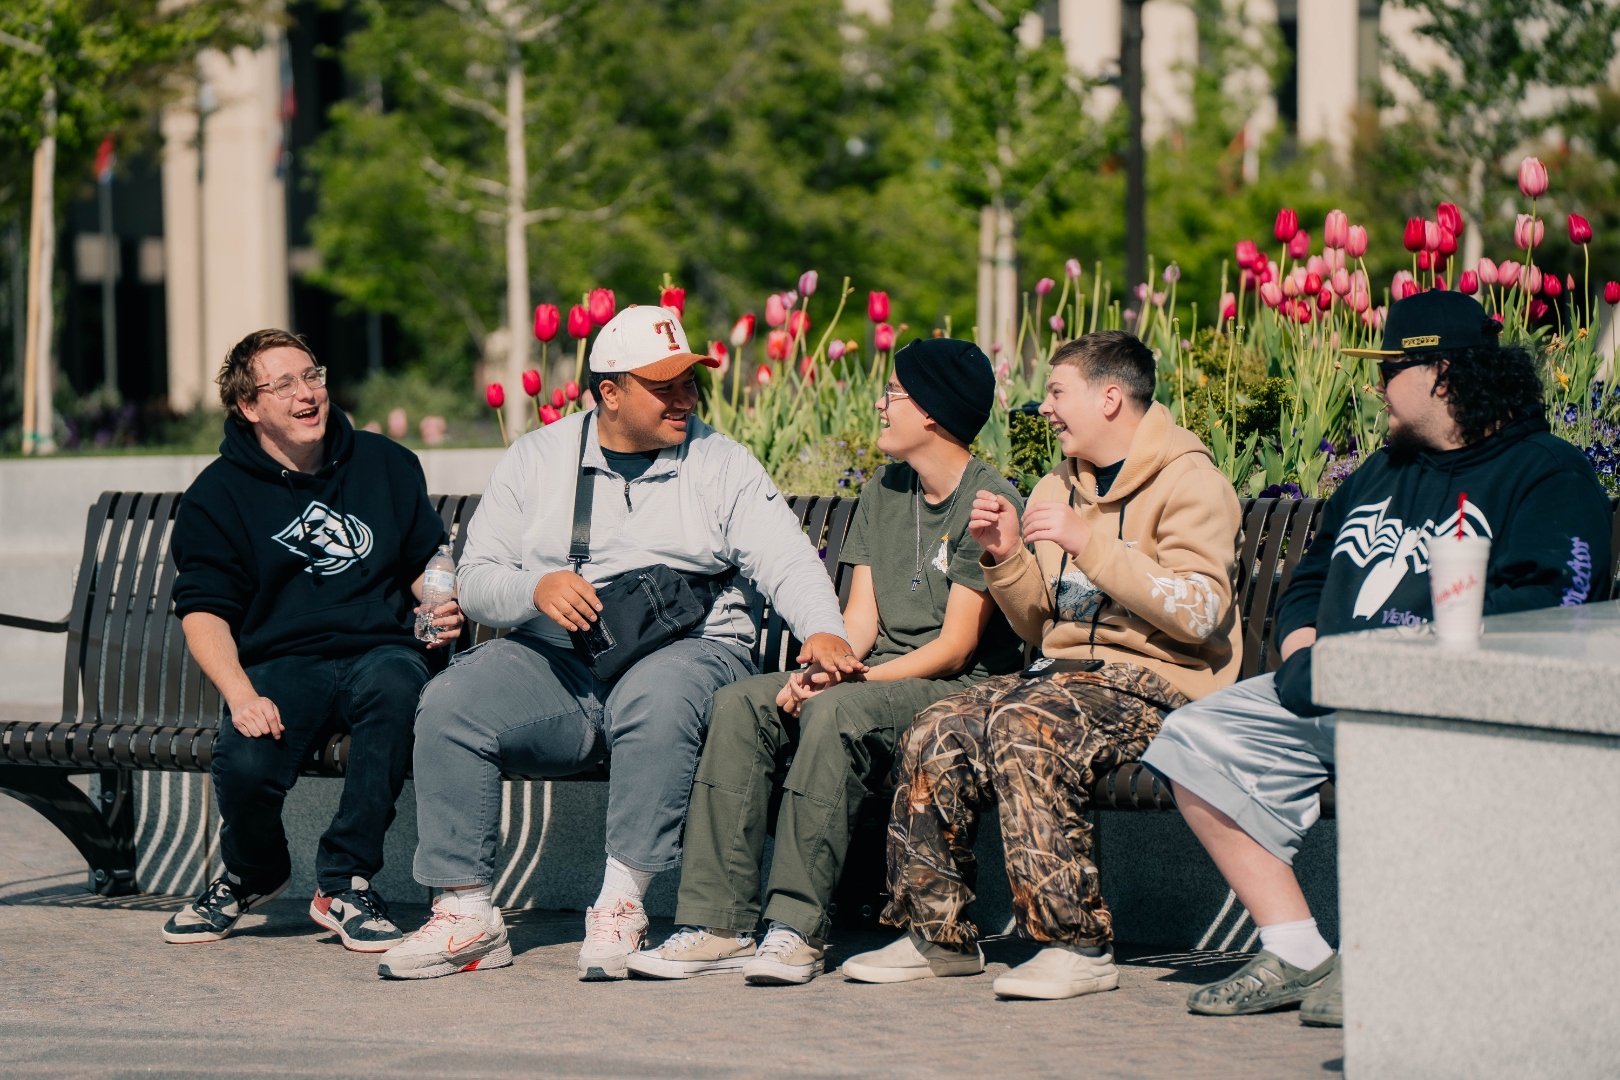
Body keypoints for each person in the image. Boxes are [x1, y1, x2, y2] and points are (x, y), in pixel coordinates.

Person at [1142, 290, 1611, 1027]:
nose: (1376, 383)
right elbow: (1310, 578)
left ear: (1442, 374)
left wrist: (1403, 665)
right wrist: (1303, 647)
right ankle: (1295, 948)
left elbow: (1560, 603)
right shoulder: (1381, 472)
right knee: (1195, 737)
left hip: (1453, 703)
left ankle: (1394, 955)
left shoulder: (1546, 472)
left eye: (1390, 366)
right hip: (1335, 686)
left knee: (1407, 744)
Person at [380, 304, 863, 982]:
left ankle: (620, 903)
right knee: (451, 701)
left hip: (690, 646)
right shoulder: (537, 458)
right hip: (561, 655)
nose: (684, 398)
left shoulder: (720, 461)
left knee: (656, 696)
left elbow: (785, 557)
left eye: (690, 382)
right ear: (609, 391)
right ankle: (466, 913)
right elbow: (479, 579)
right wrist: (537, 588)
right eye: (664, 386)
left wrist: (822, 631)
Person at [841, 330, 1244, 1000]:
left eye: (1058, 392)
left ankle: (1074, 944)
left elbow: (1199, 613)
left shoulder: (1191, 482)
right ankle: (935, 936)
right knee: (938, 723)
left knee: (1030, 721)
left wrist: (1090, 544)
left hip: (1159, 684)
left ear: (1109, 397)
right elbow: (1040, 624)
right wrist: (1004, 557)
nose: (1045, 407)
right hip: (1065, 681)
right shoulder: (1061, 483)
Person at [627, 338, 1025, 985]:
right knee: (742, 703)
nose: (881, 403)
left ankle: (795, 930)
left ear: (932, 412)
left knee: (838, 711)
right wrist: (826, 667)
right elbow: (861, 621)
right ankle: (717, 922)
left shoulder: (988, 500)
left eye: (893, 393)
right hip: (881, 677)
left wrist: (844, 684)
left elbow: (955, 649)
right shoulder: (886, 488)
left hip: (958, 688)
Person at [163, 329, 464, 952]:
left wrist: (439, 604)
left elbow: (422, 560)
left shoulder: (386, 464)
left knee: (399, 688)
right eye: (285, 384)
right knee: (245, 764)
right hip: (283, 660)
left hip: (379, 649)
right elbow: (203, 613)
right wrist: (241, 694)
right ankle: (254, 872)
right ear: (249, 407)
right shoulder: (216, 497)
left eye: (313, 376)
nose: (308, 393)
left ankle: (346, 882)